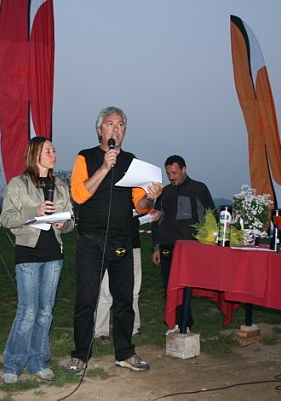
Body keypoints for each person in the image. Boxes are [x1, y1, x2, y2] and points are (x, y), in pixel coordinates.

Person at [67, 106, 163, 374]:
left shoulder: (131, 161)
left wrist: (151, 196)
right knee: (86, 300)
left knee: (124, 300)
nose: (116, 129)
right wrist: (104, 167)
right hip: (91, 240)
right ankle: (80, 354)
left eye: (121, 125)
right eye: (110, 124)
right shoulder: (85, 157)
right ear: (100, 130)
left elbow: (140, 205)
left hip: (122, 240)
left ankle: (125, 353)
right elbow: (79, 195)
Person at [0, 137, 75, 384]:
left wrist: (64, 224)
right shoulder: (18, 184)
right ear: (35, 155)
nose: (54, 154)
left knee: (45, 312)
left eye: (54, 150)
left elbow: (72, 221)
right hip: (28, 254)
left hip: (54, 255)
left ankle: (38, 361)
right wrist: (36, 211)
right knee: (27, 311)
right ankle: (13, 363)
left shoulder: (60, 185)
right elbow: (7, 218)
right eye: (48, 151)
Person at [151, 155, 216, 334]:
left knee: (185, 287)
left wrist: (207, 243)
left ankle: (184, 323)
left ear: (184, 169)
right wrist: (156, 248)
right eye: (168, 174)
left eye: (174, 173)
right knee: (169, 287)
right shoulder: (164, 192)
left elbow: (211, 217)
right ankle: (176, 323)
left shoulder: (199, 189)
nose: (171, 177)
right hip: (166, 247)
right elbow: (156, 221)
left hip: (189, 248)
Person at [94, 214, 143, 343]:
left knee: (133, 291)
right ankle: (101, 331)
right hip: (109, 243)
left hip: (132, 243)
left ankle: (133, 328)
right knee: (105, 291)